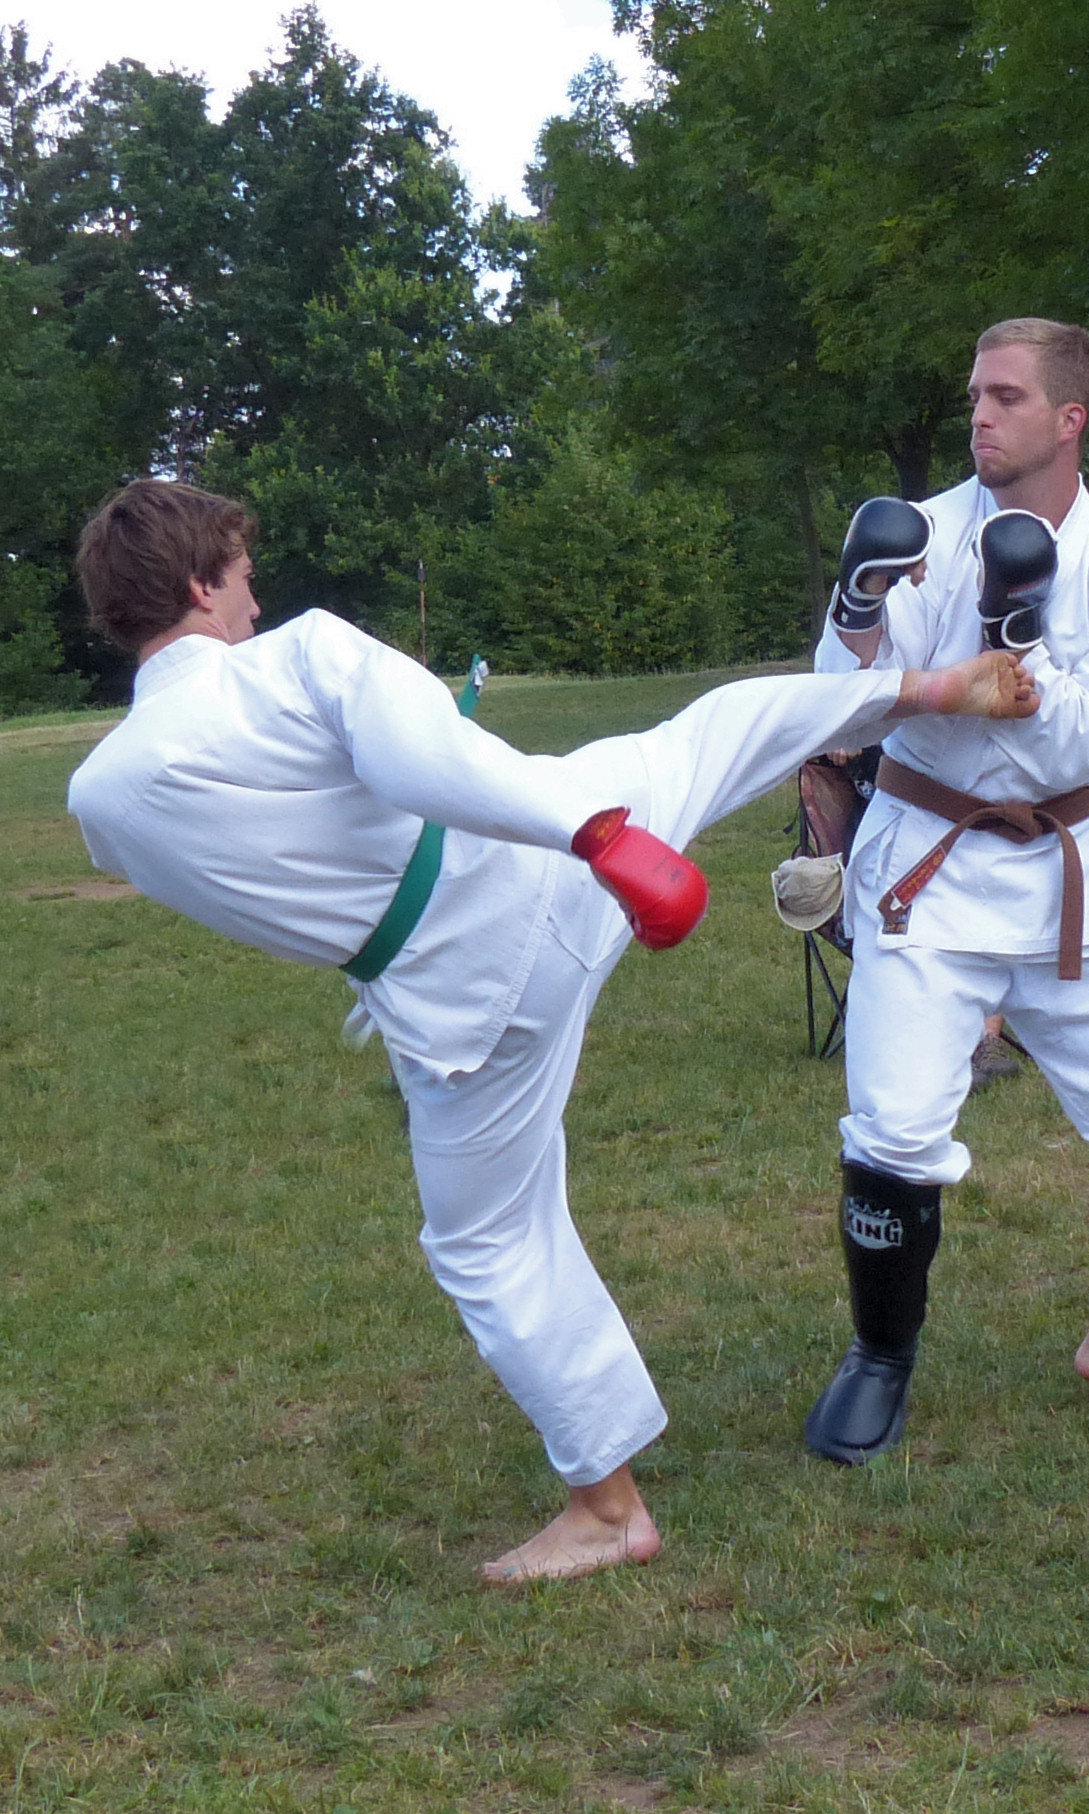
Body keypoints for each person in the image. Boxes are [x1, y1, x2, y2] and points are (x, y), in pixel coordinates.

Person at [66, 479, 1037, 1579]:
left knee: (489, 1241)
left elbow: (308, 839)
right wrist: (594, 834)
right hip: (559, 858)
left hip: (458, 1001)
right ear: (201, 586)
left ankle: (608, 1507)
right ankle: (924, 687)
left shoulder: (105, 798)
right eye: (242, 578)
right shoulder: (302, 654)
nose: (254, 600)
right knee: (719, 728)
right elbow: (418, 757)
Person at [804, 318, 1089, 1467]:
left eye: (1004, 396)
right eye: (973, 393)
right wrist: (859, 607)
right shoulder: (921, 533)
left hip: (1075, 870)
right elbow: (840, 708)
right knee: (893, 1130)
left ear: (1068, 418)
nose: (978, 414)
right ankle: (878, 1355)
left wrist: (1019, 636)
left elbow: (1075, 741)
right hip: (927, 860)